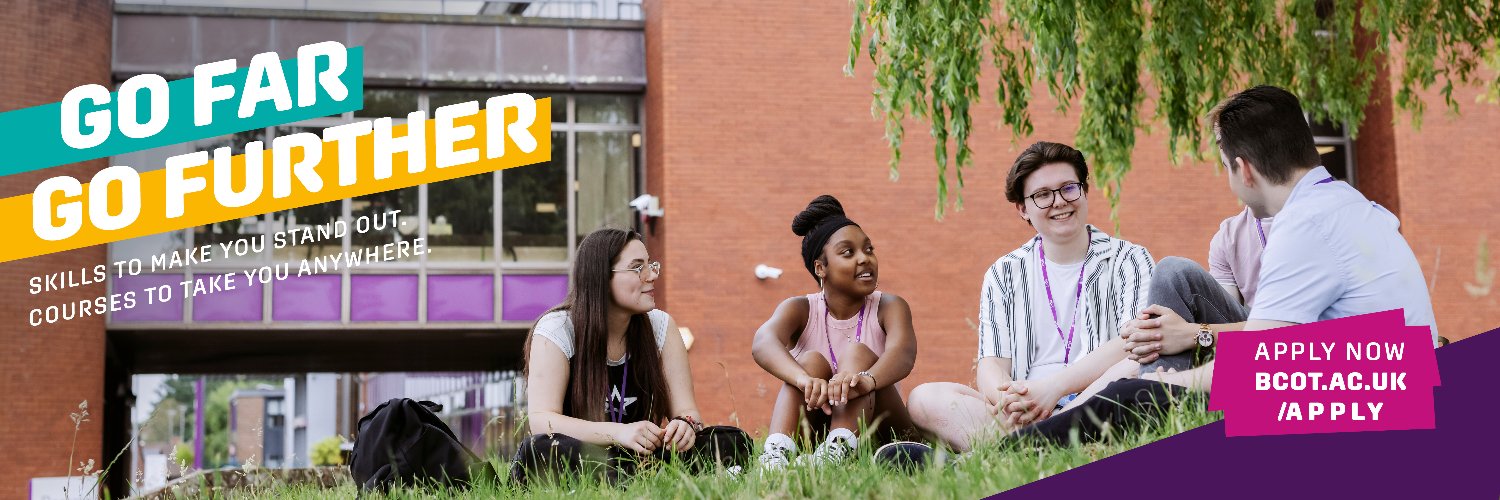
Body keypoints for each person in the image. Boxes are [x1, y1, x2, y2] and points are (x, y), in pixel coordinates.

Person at [1004, 84, 1441, 446]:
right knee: (1146, 376)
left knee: (1131, 396)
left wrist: (1168, 383)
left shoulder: (1305, 226)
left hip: (1361, 393)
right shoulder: (1346, 205)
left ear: (1244, 170)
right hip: (1364, 376)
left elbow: (1263, 364)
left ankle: (1018, 453)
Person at [905, 141, 1155, 452]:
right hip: (1026, 412)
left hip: (1098, 400)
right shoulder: (1004, 272)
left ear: (1084, 191)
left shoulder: (1129, 259)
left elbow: (1132, 346)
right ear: (1023, 208)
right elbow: (991, 365)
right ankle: (1046, 444)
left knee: (1135, 370)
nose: (1059, 202)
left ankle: (1014, 449)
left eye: (1068, 188)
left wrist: (1053, 389)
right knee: (924, 399)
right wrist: (1013, 400)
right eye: (1042, 195)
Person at [512, 228, 751, 485]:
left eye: (651, 265)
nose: (652, 276)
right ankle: (635, 479)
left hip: (644, 455)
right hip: (584, 453)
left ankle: (627, 479)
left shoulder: (660, 325)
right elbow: (542, 421)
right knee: (538, 451)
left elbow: (686, 411)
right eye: (638, 268)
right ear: (601, 277)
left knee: (732, 441)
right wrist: (619, 433)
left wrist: (685, 426)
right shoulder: (557, 329)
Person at [751, 195, 919, 469]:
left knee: (857, 356)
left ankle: (838, 450)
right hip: (816, 434)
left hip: (883, 432)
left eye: (869, 249)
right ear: (821, 268)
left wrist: (866, 381)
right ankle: (776, 456)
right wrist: (805, 380)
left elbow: (904, 354)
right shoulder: (800, 309)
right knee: (809, 363)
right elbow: (762, 343)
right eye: (848, 253)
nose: (865, 259)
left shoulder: (889, 306)